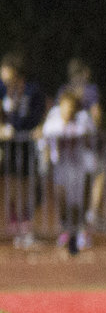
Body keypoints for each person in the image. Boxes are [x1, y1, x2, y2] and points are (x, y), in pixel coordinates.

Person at [39, 86, 98, 252]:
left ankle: (77, 232)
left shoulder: (82, 121)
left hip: (78, 167)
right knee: (62, 200)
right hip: (60, 166)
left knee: (77, 202)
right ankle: (67, 228)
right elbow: (45, 139)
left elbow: (91, 139)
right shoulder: (53, 120)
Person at [2, 53, 45, 243]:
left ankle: (26, 224)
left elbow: (43, 112)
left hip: (27, 143)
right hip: (9, 144)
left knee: (27, 183)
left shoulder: (32, 90)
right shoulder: (2, 89)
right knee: (11, 182)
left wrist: (41, 128)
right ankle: (14, 223)